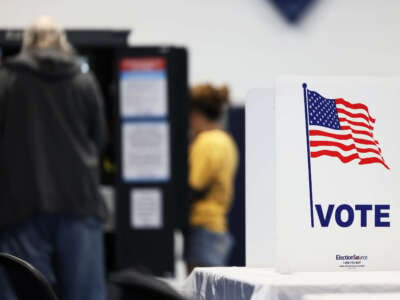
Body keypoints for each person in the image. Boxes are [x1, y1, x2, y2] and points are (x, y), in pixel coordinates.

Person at [0, 16, 107, 300]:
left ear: (27, 43)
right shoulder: (84, 80)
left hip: (20, 205)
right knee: (85, 294)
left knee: (28, 292)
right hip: (79, 202)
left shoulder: (7, 79)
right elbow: (99, 139)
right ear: (62, 42)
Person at [186, 83, 239, 273]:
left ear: (196, 113)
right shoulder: (225, 140)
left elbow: (194, 185)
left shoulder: (206, 142)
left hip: (203, 227)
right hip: (217, 226)